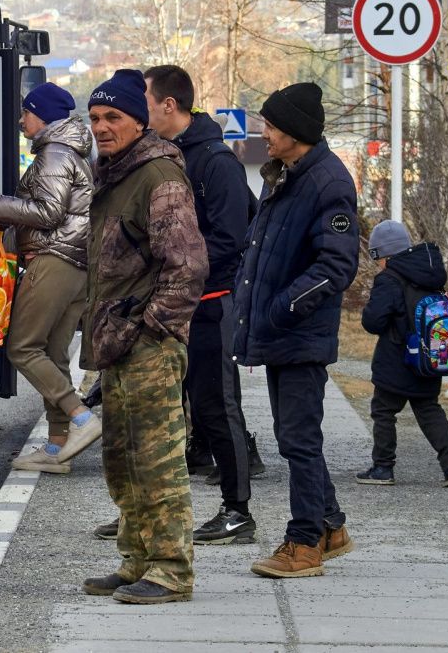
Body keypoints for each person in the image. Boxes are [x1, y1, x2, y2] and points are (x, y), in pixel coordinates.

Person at [79, 69, 207, 606]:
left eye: (113, 117)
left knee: (157, 462)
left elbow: (188, 268)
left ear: (138, 120)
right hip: (118, 344)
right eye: (94, 119)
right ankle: (136, 560)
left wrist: (150, 328)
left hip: (148, 345)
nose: (102, 128)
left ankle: (171, 569)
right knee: (122, 458)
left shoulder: (158, 178)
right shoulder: (114, 174)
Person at [233, 81, 359, 580]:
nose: (265, 132)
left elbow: (337, 265)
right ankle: (331, 526)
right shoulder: (280, 173)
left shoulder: (328, 181)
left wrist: (282, 310)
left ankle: (304, 542)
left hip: (301, 333)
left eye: (271, 125)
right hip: (280, 331)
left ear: (296, 133)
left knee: (300, 440)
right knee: (292, 436)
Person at [143, 64, 262, 546]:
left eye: (146, 102)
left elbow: (230, 238)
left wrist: (180, 273)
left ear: (169, 105)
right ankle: (147, 513)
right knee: (167, 409)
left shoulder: (215, 161)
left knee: (216, 407)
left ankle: (238, 512)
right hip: (176, 304)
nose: (142, 110)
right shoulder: (167, 155)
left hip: (213, 302)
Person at [0, 82, 98, 474]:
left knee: (23, 347)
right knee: (54, 351)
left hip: (54, 259)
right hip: (76, 261)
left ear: (42, 115)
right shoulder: (72, 152)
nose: (21, 120)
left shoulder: (54, 153)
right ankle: (57, 446)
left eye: (26, 112)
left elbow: (48, 212)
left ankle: (80, 418)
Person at [355, 220, 448, 488]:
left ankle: (383, 467)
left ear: (383, 255)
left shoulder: (389, 279)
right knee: (429, 409)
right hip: (428, 360)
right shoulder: (429, 274)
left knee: (383, 410)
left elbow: (374, 322)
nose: (378, 264)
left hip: (397, 360)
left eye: (377, 257)